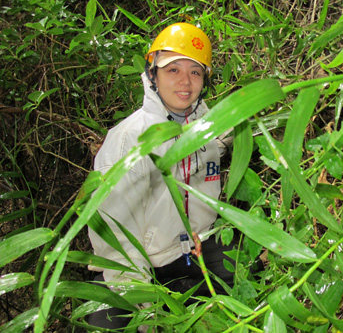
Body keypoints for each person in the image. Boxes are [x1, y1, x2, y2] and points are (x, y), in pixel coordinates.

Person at [86, 22, 235, 329]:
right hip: (137, 263)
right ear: (152, 73)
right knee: (104, 323)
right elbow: (113, 238)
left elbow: (196, 158)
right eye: (172, 70)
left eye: (195, 71)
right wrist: (146, 312)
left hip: (194, 251)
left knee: (242, 281)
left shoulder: (206, 128)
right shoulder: (131, 140)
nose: (185, 81)